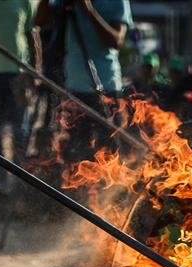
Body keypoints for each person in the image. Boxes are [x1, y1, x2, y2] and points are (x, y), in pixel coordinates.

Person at [36, 0, 133, 160]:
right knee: (77, 150)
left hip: (106, 83)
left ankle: (115, 184)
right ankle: (79, 183)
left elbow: (116, 41)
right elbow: (39, 22)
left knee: (110, 146)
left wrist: (89, 11)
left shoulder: (117, 2)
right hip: (75, 86)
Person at [0, 0, 40, 189]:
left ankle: (19, 177)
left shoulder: (26, 2)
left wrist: (36, 70)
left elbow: (33, 34)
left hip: (18, 74)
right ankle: (1, 177)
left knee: (20, 129)